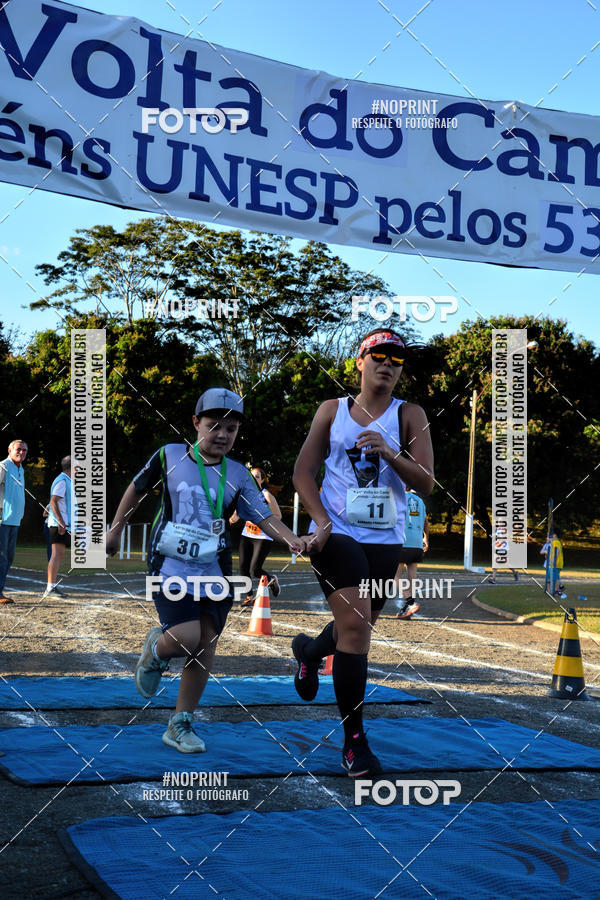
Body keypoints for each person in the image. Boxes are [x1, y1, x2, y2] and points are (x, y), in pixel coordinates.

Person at [106, 388, 306, 754]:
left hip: (214, 568)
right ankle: (155, 648)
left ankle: (180, 723)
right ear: (195, 424)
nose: (222, 435)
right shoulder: (169, 455)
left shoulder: (239, 473)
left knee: (205, 644)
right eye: (214, 426)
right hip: (169, 564)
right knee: (185, 635)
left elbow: (261, 515)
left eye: (231, 428)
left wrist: (292, 538)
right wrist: (116, 528)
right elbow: (135, 489)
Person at [291, 329, 434, 776]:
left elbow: (427, 483)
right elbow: (302, 473)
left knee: (355, 628)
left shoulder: (410, 415)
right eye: (379, 356)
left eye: (396, 359)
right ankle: (355, 742)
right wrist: (322, 522)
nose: (387, 364)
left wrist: (390, 452)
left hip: (384, 541)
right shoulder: (331, 411)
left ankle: (310, 652)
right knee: (357, 630)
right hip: (337, 536)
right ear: (360, 361)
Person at [231, 466, 282, 604]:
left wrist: (262, 520)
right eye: (251, 476)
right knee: (243, 567)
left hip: (263, 537)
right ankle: (250, 596)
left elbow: (278, 515)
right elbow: (238, 512)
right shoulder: (245, 494)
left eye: (257, 477)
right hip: (247, 534)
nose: (254, 479)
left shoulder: (266, 495)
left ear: (262, 480)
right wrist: (233, 518)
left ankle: (272, 580)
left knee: (255, 570)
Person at [0, 439, 28, 604]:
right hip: (3, 519)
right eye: (19, 449)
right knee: (2, 557)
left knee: (9, 557)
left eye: (24, 450)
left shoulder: (21, 469)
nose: (21, 452)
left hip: (14, 520)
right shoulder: (3, 466)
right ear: (10, 450)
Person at [395, 489, 429, 619]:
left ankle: (410, 602)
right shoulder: (420, 501)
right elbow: (426, 522)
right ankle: (408, 607)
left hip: (403, 541)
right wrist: (426, 538)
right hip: (417, 542)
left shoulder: (398, 496)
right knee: (412, 576)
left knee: (395, 575)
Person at [43, 456, 73, 599]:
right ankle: (50, 587)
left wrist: (48, 509)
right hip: (58, 524)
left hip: (61, 523)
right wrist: (61, 521)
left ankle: (52, 586)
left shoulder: (67, 481)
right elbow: (54, 500)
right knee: (56, 555)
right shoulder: (62, 480)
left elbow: (55, 502)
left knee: (58, 555)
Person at [541, 528, 566, 597]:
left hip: (556, 563)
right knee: (550, 576)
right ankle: (551, 591)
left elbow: (556, 551)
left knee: (555, 577)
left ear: (554, 535)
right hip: (554, 563)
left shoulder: (555, 542)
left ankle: (556, 590)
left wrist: (553, 561)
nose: (548, 536)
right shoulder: (554, 542)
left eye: (550, 535)